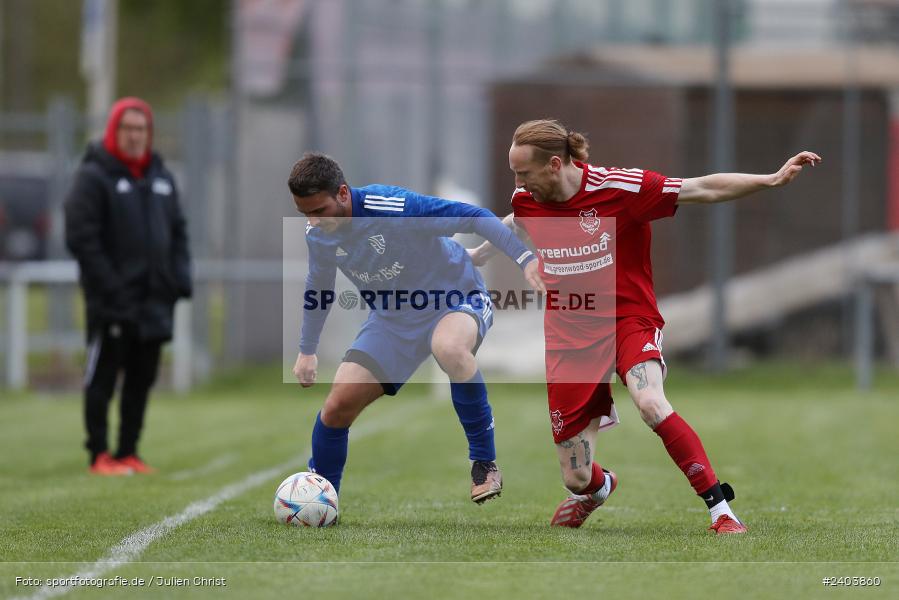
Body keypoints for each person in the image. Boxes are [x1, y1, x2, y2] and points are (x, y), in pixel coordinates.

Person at [470, 118, 820, 533]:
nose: (517, 182)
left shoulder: (622, 188)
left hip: (627, 320)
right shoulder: (529, 198)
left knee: (651, 402)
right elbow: (516, 221)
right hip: (570, 336)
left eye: (523, 172)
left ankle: (720, 510)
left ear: (553, 165)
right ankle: (600, 490)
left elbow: (701, 187)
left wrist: (770, 180)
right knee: (575, 478)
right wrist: (477, 255)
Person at [288, 153, 543, 504]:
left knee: (449, 348)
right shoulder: (318, 234)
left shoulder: (393, 207)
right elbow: (319, 287)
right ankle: (319, 497)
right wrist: (307, 350)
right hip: (393, 319)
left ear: (343, 194)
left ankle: (484, 463)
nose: (313, 222)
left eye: (319, 211)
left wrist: (525, 259)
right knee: (336, 406)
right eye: (305, 214)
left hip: (456, 296)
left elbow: (476, 217)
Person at [65, 97, 192, 475]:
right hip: (112, 301)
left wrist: (178, 278)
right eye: (128, 128)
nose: (135, 136)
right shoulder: (93, 177)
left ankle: (128, 452)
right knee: (103, 376)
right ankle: (99, 454)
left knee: (141, 379)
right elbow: (81, 238)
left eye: (141, 129)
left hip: (155, 300)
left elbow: (178, 232)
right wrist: (110, 286)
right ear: (113, 131)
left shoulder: (161, 177)